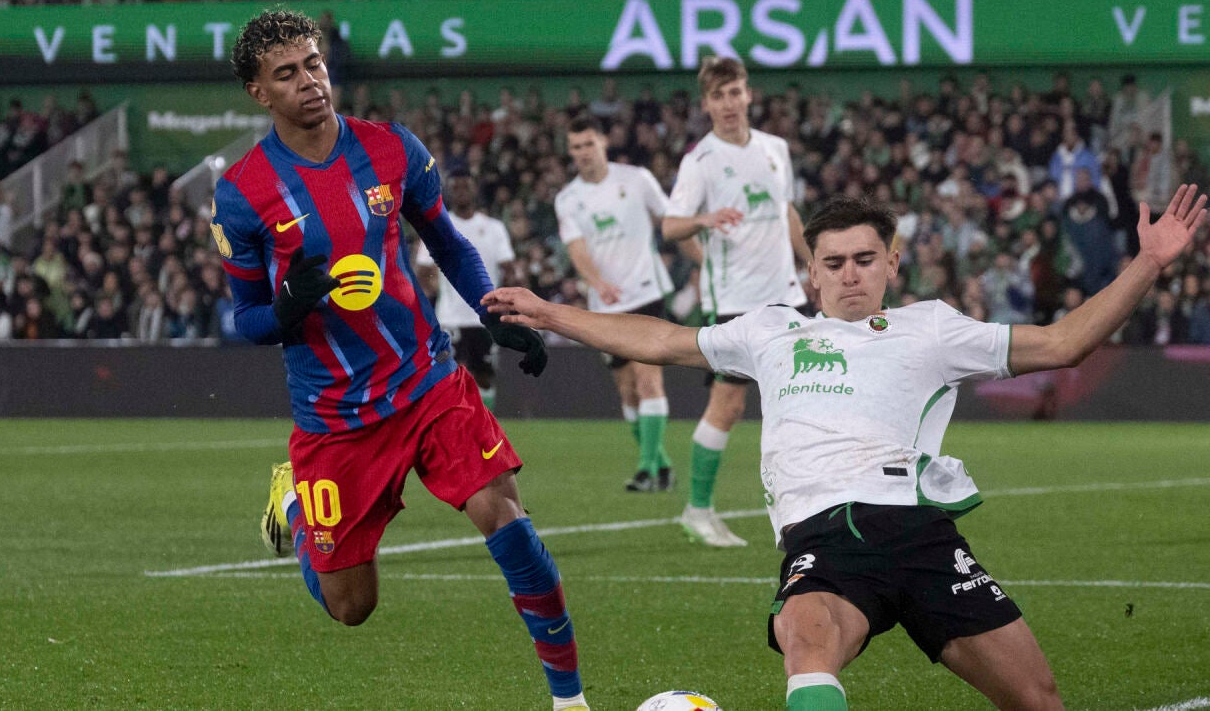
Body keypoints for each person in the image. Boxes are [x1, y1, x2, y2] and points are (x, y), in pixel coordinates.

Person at [481, 187, 1206, 710]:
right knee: (807, 635)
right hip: (827, 530)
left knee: (1038, 699)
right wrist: (552, 314)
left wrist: (1148, 264)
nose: (850, 273)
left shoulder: (934, 328)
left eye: (865, 258)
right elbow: (663, 340)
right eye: (834, 262)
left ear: (891, 263)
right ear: (811, 273)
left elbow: (1064, 342)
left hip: (921, 533)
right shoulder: (770, 330)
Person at [213, 10, 588, 711]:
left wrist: (494, 310)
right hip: (335, 417)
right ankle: (296, 504)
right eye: (287, 74)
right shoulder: (243, 192)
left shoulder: (390, 149)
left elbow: (445, 240)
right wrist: (287, 308)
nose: (310, 83)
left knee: (505, 518)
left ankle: (569, 701)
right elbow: (249, 322)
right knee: (351, 607)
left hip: (427, 380)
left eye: (315, 64)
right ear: (259, 93)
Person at [660, 55, 812, 547]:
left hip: (786, 296)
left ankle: (804, 508)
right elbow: (670, 225)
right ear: (707, 104)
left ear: (749, 94)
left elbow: (785, 210)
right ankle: (697, 510)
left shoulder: (775, 149)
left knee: (803, 401)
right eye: (718, 96)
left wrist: (814, 263)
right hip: (734, 300)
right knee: (727, 405)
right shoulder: (700, 161)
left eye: (735, 92)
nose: (728, 103)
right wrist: (704, 221)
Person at [555, 115, 678, 492]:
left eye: (588, 144)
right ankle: (661, 466)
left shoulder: (636, 178)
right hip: (604, 304)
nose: (583, 153)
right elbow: (577, 250)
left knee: (648, 377)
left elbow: (670, 218)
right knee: (626, 389)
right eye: (576, 147)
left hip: (646, 292)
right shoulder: (568, 199)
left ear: (604, 142)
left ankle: (644, 469)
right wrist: (598, 284)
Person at [414, 171, 515, 410]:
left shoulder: (493, 228)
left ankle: (486, 426)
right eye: (456, 187)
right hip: (450, 317)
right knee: (449, 374)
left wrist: (506, 297)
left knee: (485, 377)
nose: (461, 191)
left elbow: (508, 267)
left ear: (475, 190)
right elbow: (422, 269)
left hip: (486, 317)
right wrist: (436, 288)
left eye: (465, 186)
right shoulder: (439, 225)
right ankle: (456, 426)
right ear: (448, 192)